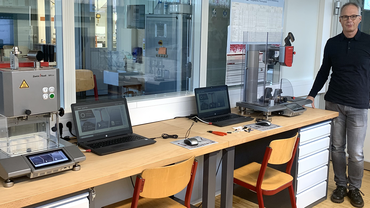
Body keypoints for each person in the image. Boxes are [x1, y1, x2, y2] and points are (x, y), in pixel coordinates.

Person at [307, 2, 370, 208]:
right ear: (340, 19)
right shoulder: (332, 43)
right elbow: (324, 71)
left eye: (353, 16)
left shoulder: (368, 42)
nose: (349, 20)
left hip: (359, 105)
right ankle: (341, 185)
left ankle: (354, 188)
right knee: (336, 148)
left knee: (356, 152)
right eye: (345, 17)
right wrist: (312, 94)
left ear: (360, 19)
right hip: (334, 102)